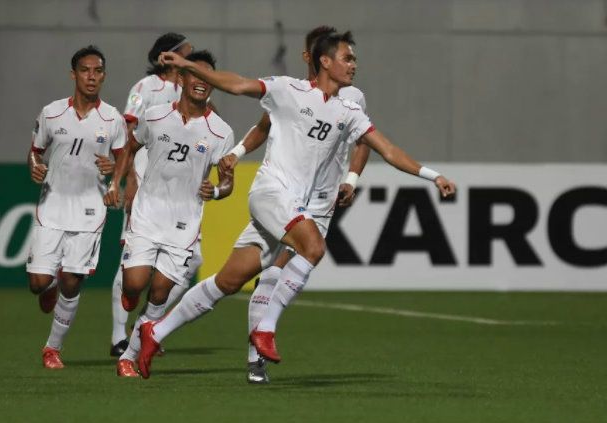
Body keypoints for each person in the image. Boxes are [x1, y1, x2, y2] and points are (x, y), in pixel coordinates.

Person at [136, 31, 456, 379]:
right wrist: (184, 63)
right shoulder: (288, 90)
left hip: (301, 205)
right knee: (314, 247)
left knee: (227, 282)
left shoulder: (349, 109)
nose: (354, 65)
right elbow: (238, 85)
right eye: (347, 58)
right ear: (325, 61)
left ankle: (156, 332)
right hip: (271, 194)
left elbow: (388, 150)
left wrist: (432, 175)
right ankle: (265, 329)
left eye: (353, 59)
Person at [238, 25, 372, 384]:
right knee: (268, 273)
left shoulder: (353, 98)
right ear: (313, 58)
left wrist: (351, 179)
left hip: (322, 201)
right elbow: (263, 126)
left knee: (279, 270)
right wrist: (236, 154)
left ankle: (258, 348)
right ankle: (257, 354)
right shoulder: (289, 93)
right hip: (285, 193)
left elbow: (365, 142)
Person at [104, 50, 235, 377]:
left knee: (160, 292)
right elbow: (130, 147)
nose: (201, 83)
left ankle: (128, 357)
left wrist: (216, 191)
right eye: (195, 75)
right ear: (182, 79)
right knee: (133, 284)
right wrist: (120, 182)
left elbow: (227, 181)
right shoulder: (156, 115)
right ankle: (129, 302)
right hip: (148, 214)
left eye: (208, 78)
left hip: (184, 223)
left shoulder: (221, 132)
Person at [26, 45, 126, 369]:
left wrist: (114, 181)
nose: (92, 76)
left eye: (97, 71)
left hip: (89, 208)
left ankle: (52, 349)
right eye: (85, 70)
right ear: (74, 74)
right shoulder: (52, 113)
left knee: (73, 279)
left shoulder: (113, 118)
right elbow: (35, 150)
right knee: (39, 284)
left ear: (104, 76)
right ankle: (48, 285)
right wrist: (34, 166)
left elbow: (122, 156)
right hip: (53, 203)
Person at [105, 33, 196, 357]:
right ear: (166, 56)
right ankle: (119, 336)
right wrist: (129, 178)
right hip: (146, 181)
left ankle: (146, 326)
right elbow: (130, 134)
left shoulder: (191, 89)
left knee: (189, 262)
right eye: (186, 50)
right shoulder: (145, 89)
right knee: (131, 260)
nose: (191, 54)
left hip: (180, 190)